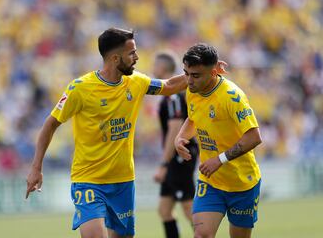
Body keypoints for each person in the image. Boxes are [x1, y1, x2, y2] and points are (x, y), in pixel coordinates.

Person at [26, 28, 226, 238]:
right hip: (88, 180)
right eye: (132, 53)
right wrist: (36, 167)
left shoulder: (136, 82)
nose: (137, 58)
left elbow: (168, 85)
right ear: (114, 58)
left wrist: (203, 72)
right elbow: (49, 125)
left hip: (123, 181)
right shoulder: (80, 89)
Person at [175, 43, 262, 238]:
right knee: (201, 234)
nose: (189, 81)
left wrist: (219, 160)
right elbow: (193, 118)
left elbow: (254, 136)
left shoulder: (232, 97)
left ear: (214, 72)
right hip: (211, 182)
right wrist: (181, 137)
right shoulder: (193, 91)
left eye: (195, 75)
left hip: (242, 183)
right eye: (186, 73)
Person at [152, 52, 198, 238]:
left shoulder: (173, 97)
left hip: (180, 154)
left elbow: (175, 129)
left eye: (155, 65)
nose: (152, 68)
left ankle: (205, 233)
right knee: (164, 210)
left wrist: (164, 164)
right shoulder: (170, 95)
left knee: (188, 208)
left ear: (162, 68)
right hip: (175, 156)